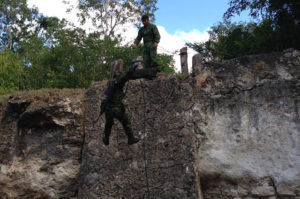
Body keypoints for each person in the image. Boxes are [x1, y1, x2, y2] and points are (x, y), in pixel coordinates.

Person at [101, 61, 141, 146]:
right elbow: (126, 76)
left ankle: (106, 139)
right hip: (116, 108)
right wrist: (133, 68)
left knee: (108, 124)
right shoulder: (119, 83)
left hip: (108, 109)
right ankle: (131, 138)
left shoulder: (110, 82)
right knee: (126, 122)